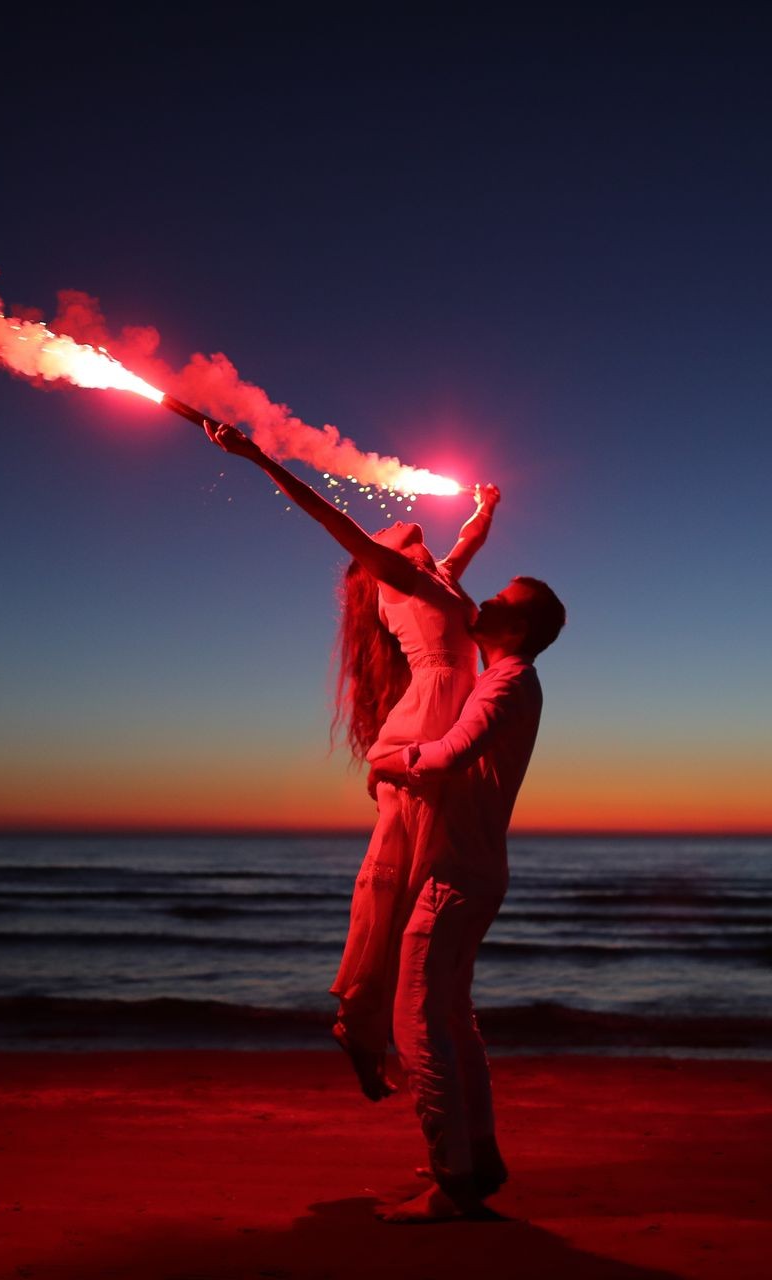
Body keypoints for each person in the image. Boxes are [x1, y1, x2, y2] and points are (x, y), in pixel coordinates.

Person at [202, 421, 500, 1101]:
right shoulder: (393, 573)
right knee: (406, 878)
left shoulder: (440, 578)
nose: (400, 522)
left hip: (445, 716)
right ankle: (366, 1022)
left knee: (423, 881)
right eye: (387, 532)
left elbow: (466, 545)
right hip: (428, 716)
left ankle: (372, 1023)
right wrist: (254, 457)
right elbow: (323, 511)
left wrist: (487, 509)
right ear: (377, 560)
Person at [364, 575, 566, 1223]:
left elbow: (449, 756)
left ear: (518, 630)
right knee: (452, 1018)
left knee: (416, 1020)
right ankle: (476, 1157)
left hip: (459, 877)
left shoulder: (507, 684)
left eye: (501, 603)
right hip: (473, 871)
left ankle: (453, 1183)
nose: (486, 603)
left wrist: (390, 760)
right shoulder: (501, 679)